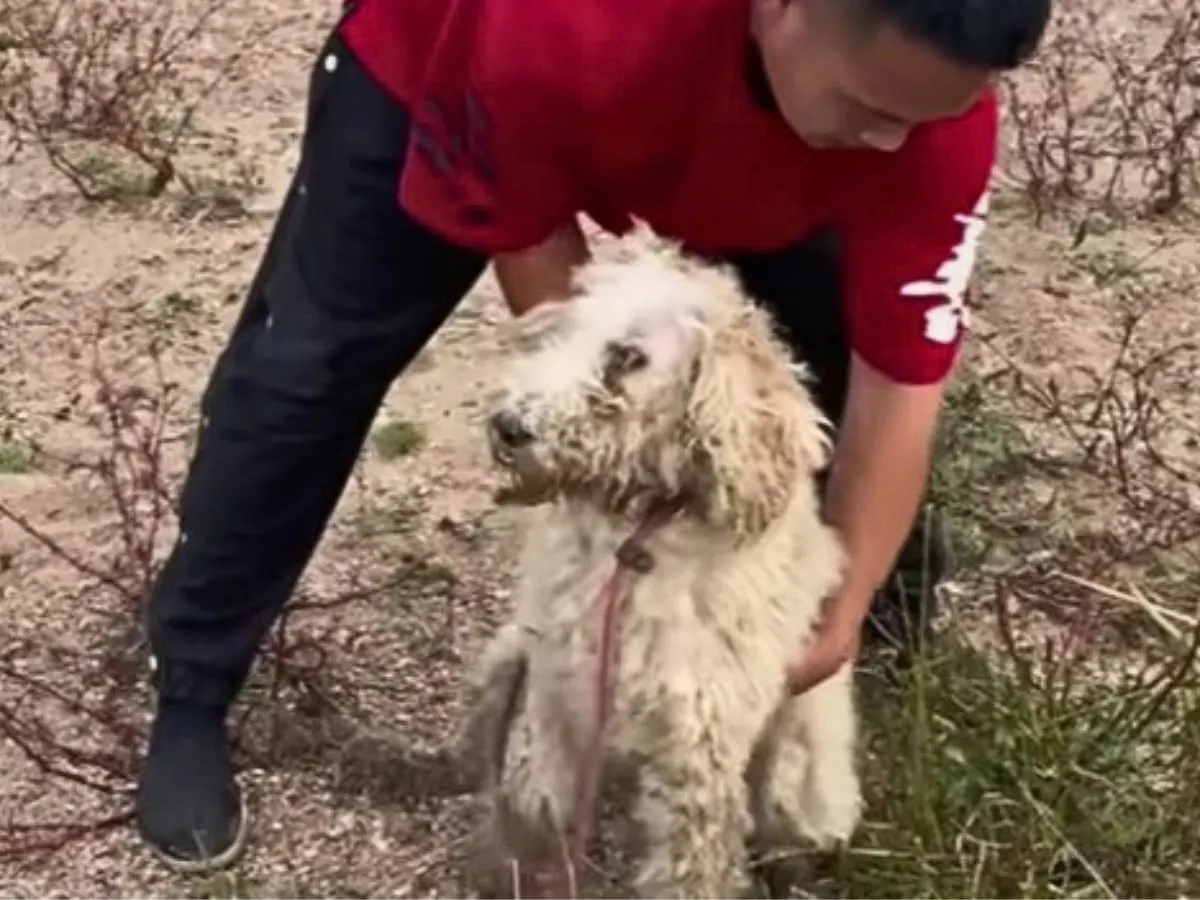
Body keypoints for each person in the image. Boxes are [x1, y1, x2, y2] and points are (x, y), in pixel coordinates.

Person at [133, 0, 1051, 872]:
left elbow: (901, 385)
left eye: (922, 119)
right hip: (453, 69)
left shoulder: (926, 125)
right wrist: (609, 444)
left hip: (757, 142)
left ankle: (865, 651)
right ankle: (193, 688)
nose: (891, 139)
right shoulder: (565, 25)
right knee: (308, 372)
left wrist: (840, 604)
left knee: (807, 390)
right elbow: (538, 257)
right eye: (872, 106)